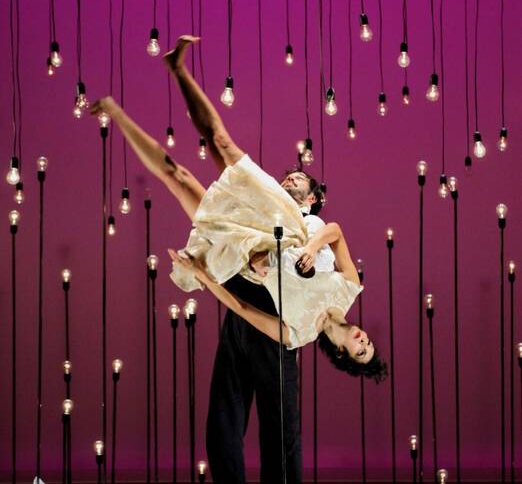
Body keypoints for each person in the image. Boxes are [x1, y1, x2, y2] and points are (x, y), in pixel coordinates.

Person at [90, 35, 386, 483]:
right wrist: (310, 249)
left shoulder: (298, 334)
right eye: (370, 343)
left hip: (243, 251)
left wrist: (204, 276)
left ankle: (115, 113)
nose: (363, 340)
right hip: (276, 223)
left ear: (343, 354)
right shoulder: (349, 290)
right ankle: (178, 68)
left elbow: (244, 309)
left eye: (360, 351)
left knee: (178, 176)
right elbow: (336, 232)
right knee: (221, 144)